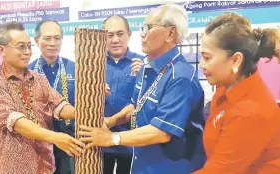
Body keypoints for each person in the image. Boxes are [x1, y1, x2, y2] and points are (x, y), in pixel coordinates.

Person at [78, 4, 206, 174]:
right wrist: (110, 122)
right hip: (142, 163)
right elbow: (135, 106)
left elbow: (162, 132)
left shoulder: (180, 76)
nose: (143, 34)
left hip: (169, 167)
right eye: (143, 27)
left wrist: (111, 138)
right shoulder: (147, 68)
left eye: (149, 27)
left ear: (171, 33)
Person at [0, 21, 85, 174]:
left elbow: (59, 105)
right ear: (1, 50)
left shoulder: (38, 79)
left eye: (29, 46)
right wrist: (56, 138)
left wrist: (84, 112)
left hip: (45, 166)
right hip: (14, 168)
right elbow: (17, 122)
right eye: (21, 47)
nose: (27, 52)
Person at [193, 12, 280, 174]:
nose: (201, 65)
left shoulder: (251, 111)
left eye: (207, 58)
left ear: (236, 60)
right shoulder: (224, 88)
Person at [28, 20, 76, 174]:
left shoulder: (75, 68)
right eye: (47, 38)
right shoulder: (27, 71)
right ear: (37, 40)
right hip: (39, 139)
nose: (53, 43)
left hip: (68, 137)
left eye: (57, 38)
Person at [101, 15, 144, 174]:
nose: (115, 40)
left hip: (131, 143)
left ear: (129, 35)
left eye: (120, 34)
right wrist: (93, 89)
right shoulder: (94, 65)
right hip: (101, 142)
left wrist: (145, 77)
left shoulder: (143, 63)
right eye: (110, 35)